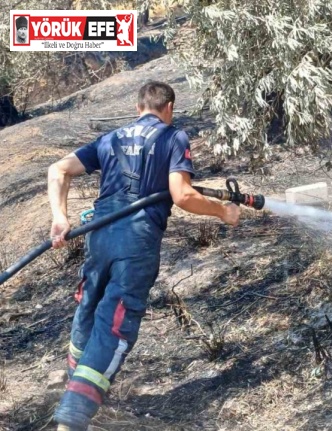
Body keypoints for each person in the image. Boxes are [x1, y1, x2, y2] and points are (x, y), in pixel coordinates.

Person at [47, 81, 240, 430]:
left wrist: (60, 217)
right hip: (136, 243)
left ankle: (73, 387)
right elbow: (181, 195)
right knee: (115, 323)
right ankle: (72, 419)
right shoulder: (172, 136)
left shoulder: (111, 138)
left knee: (88, 307)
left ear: (138, 109)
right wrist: (222, 212)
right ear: (168, 108)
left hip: (99, 237)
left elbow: (58, 170)